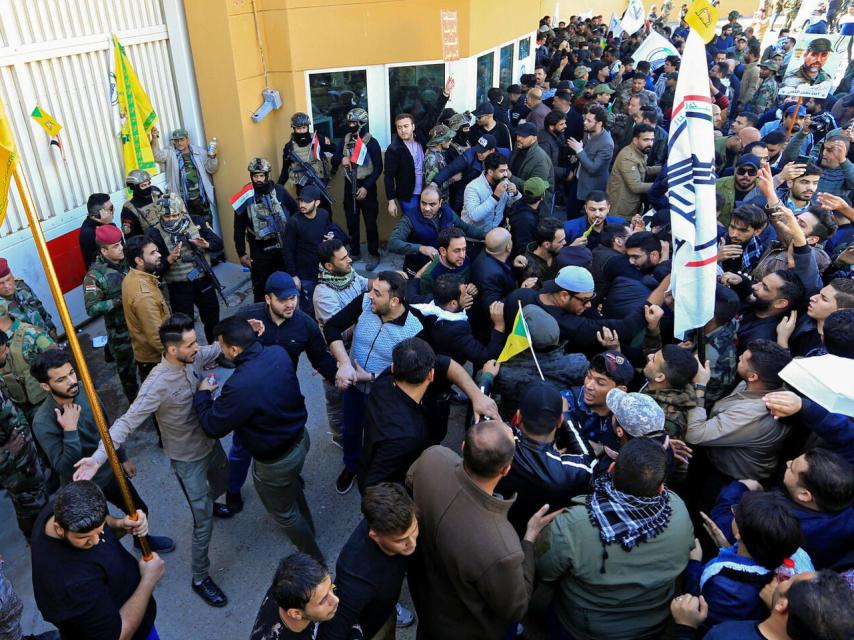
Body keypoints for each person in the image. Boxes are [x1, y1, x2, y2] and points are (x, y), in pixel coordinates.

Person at [73, 314, 233, 607]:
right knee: (203, 520)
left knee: (224, 480)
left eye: (195, 341)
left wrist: (251, 325)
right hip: (187, 459)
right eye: (190, 344)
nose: (196, 347)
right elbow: (126, 422)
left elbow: (216, 348)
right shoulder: (156, 384)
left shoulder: (193, 356)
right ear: (172, 350)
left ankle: (212, 503)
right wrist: (98, 458)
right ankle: (200, 577)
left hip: (211, 444)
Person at [406, 421, 559, 640]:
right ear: (506, 469)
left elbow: (411, 481)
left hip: (425, 602)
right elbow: (515, 608)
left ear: (461, 446)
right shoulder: (503, 546)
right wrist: (529, 538)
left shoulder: (433, 458)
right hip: (466, 629)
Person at [535, 439, 694, 640]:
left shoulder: (574, 523)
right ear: (661, 488)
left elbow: (544, 569)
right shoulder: (677, 509)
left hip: (583, 629)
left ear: (611, 468)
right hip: (652, 626)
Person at [194, 316, 322, 560]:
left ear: (233, 349)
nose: (221, 352)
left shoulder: (239, 385)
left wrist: (202, 395)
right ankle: (310, 531)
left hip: (275, 461)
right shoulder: (278, 353)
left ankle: (314, 560)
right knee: (292, 487)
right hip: (300, 440)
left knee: (284, 512)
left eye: (221, 347)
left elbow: (212, 425)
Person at [29, 349, 175, 554]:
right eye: (61, 379)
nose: (71, 381)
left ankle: (143, 541)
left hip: (110, 471)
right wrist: (70, 431)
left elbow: (106, 428)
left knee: (139, 511)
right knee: (103, 534)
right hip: (84, 487)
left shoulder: (84, 388)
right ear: (46, 386)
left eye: (72, 373)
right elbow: (63, 467)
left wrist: (122, 457)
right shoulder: (43, 421)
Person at [227, 272, 338, 508]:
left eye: (293, 298)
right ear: (268, 298)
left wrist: (341, 376)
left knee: (289, 440)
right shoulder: (247, 317)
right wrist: (243, 333)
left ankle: (287, 473)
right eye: (283, 299)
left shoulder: (305, 324)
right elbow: (226, 355)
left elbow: (321, 359)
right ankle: (232, 488)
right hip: (250, 398)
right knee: (241, 447)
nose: (290, 304)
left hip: (285, 395)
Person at [324, 272, 424, 495]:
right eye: (372, 290)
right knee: (350, 430)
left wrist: (370, 376)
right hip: (354, 389)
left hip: (385, 394)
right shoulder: (364, 303)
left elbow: (409, 370)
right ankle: (351, 466)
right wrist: (344, 363)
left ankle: (372, 474)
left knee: (376, 437)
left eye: (377, 293)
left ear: (395, 300)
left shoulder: (414, 328)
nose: (369, 296)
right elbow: (331, 327)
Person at [358, 337, 497, 493]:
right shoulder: (407, 436)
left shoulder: (385, 381)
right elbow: (372, 487)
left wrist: (476, 395)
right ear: (431, 375)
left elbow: (446, 364)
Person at [30, 481, 164, 640]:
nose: (95, 541)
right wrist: (148, 580)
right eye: (83, 538)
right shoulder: (71, 585)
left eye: (99, 531)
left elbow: (99, 522)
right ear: (59, 529)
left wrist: (121, 524)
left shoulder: (60, 509)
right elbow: (117, 636)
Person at [688, 340, 792, 505]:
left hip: (730, 478)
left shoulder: (753, 414)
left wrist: (699, 386)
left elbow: (695, 434)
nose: (738, 358)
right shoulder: (766, 383)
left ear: (753, 376)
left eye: (743, 359)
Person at [688, 491, 809, 631]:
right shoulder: (788, 553)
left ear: (738, 533)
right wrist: (729, 549)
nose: (733, 513)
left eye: (735, 513)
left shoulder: (723, 586)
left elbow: (700, 610)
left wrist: (694, 564)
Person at [318, 483, 418, 640]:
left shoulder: (401, 508)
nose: (413, 544)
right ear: (374, 535)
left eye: (414, 530)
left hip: (386, 609)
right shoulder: (355, 579)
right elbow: (332, 631)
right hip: (372, 630)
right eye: (401, 540)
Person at [496, 381, 595, 536]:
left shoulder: (494, 442)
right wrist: (568, 417)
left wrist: (486, 378)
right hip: (538, 538)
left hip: (497, 527)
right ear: (559, 421)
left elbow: (481, 416)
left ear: (519, 415)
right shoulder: (571, 471)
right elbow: (589, 461)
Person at [674, 570, 854, 640]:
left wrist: (685, 627)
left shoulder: (724, 635)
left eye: (789, 580)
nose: (782, 579)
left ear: (783, 606)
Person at [313, 240, 370, 449]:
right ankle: (339, 435)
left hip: (358, 347)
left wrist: (382, 285)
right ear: (329, 266)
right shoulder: (323, 294)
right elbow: (339, 331)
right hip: (338, 355)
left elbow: (365, 284)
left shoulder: (348, 273)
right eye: (344, 258)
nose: (350, 260)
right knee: (337, 399)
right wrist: (372, 315)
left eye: (348, 255)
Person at [146, 192, 223, 343]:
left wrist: (206, 244)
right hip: (179, 287)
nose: (171, 220)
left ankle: (216, 352)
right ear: (160, 216)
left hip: (203, 280)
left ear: (181, 212)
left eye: (175, 215)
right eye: (167, 217)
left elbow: (218, 244)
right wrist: (169, 259)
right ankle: (191, 356)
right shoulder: (154, 233)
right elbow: (153, 270)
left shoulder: (196, 221)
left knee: (212, 319)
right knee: (184, 326)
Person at [0, 336, 49, 539]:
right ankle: (40, 543)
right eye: (3, 350)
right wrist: (4, 452)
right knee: (31, 510)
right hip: (13, 467)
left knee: (36, 502)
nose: (7, 353)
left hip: (24, 460)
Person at [83, 224, 138, 403]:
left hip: (141, 323)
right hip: (120, 333)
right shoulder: (94, 276)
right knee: (127, 371)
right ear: (104, 251)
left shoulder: (129, 261)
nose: (121, 247)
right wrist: (118, 301)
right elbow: (92, 308)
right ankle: (134, 401)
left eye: (120, 243)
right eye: (115, 246)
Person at [233, 157, 299, 303]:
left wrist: (294, 237)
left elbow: (295, 211)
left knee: (286, 282)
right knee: (261, 287)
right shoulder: (245, 196)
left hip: (281, 245)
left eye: (261, 176)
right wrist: (241, 252)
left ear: (267, 176)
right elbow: (238, 226)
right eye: (255, 176)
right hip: (259, 249)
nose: (258, 179)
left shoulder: (280, 191)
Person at [388, 183, 483, 275]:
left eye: (432, 204)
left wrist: (486, 235)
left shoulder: (447, 212)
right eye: (423, 203)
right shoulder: (410, 218)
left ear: (440, 203)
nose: (427, 208)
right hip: (417, 269)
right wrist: (421, 248)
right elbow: (393, 243)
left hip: (442, 268)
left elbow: (465, 228)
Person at [249, 553, 339, 640]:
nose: (336, 600)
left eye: (330, 586)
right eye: (323, 600)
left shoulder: (288, 585)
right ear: (296, 613)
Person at [337, 107, 383, 270]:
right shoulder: (346, 140)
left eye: (354, 122)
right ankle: (355, 251)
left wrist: (366, 188)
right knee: (352, 221)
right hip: (350, 184)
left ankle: (373, 253)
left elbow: (378, 167)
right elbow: (336, 157)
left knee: (370, 223)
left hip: (367, 186)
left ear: (362, 124)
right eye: (349, 122)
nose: (350, 125)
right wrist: (342, 158)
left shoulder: (372, 143)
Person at [121, 236, 171, 384]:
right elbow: (156, 337)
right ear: (139, 261)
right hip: (156, 361)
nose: (159, 255)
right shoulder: (144, 296)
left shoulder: (132, 277)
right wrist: (176, 358)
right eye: (153, 253)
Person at [284, 185, 338, 314]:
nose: (302, 204)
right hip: (304, 275)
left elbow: (329, 229)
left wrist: (329, 236)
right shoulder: (293, 222)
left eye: (307, 201)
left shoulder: (323, 214)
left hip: (323, 270)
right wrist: (293, 275)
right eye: (301, 201)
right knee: (308, 309)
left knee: (325, 304)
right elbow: (287, 250)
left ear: (317, 203)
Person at [151, 125, 219, 226]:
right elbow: (157, 156)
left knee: (207, 227)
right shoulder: (170, 153)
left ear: (188, 140)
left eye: (182, 140)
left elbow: (211, 169)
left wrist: (212, 157)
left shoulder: (199, 152)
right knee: (189, 230)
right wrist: (155, 138)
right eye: (176, 140)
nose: (179, 143)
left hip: (200, 200)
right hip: (182, 202)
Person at [607, 124, 661, 219]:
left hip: (630, 206)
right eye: (646, 140)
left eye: (652, 140)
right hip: (621, 210)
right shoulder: (628, 157)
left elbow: (643, 169)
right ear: (635, 140)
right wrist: (663, 184)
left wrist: (665, 168)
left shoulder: (640, 151)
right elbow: (636, 186)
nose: (650, 143)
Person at [568, 105, 615, 213]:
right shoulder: (588, 131)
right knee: (570, 212)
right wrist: (576, 157)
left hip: (590, 187)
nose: (585, 122)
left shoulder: (606, 143)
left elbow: (593, 168)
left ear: (599, 123)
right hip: (578, 179)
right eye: (585, 119)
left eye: (589, 121)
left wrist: (579, 151)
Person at [461, 151, 520, 235]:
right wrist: (495, 196)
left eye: (506, 170)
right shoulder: (473, 187)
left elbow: (513, 204)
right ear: (490, 172)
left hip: (494, 234)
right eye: (502, 171)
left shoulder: (503, 181)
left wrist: (515, 193)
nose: (506, 174)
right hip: (474, 237)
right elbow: (474, 216)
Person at [277, 112, 333, 196]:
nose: (302, 131)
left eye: (304, 128)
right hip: (302, 187)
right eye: (298, 129)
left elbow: (335, 150)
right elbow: (285, 171)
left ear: (308, 127)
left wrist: (329, 143)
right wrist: (277, 188)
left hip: (320, 183)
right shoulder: (289, 147)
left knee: (324, 208)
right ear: (294, 128)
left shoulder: (317, 140)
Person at [0, 258, 57, 340]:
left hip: (47, 338)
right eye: (1, 283)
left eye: (8, 279)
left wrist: (51, 327)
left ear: (12, 275)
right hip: (27, 350)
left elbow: (38, 305)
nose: (7, 286)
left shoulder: (21, 286)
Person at [509, 122, 555, 217]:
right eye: (518, 135)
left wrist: (511, 177)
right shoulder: (518, 147)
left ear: (534, 138)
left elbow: (535, 190)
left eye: (523, 136)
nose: (518, 139)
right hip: (517, 198)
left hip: (535, 208)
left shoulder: (540, 159)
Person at [384, 113, 425, 220]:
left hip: (426, 192)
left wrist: (444, 96)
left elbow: (433, 115)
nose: (403, 130)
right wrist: (391, 201)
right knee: (413, 225)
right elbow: (388, 176)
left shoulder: (422, 141)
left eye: (406, 126)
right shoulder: (393, 149)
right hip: (408, 196)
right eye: (399, 127)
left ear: (413, 126)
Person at [520, 217, 566, 284]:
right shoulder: (531, 272)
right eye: (560, 241)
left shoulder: (554, 251)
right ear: (547, 244)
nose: (565, 242)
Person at [78, 193, 118, 268]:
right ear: (97, 215)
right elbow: (118, 248)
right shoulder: (89, 232)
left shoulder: (101, 223)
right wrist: (109, 224)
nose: (114, 210)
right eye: (111, 208)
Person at [120, 169, 163, 237]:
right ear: (134, 188)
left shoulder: (156, 193)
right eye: (143, 185)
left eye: (149, 184)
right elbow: (131, 237)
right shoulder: (128, 209)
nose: (148, 187)